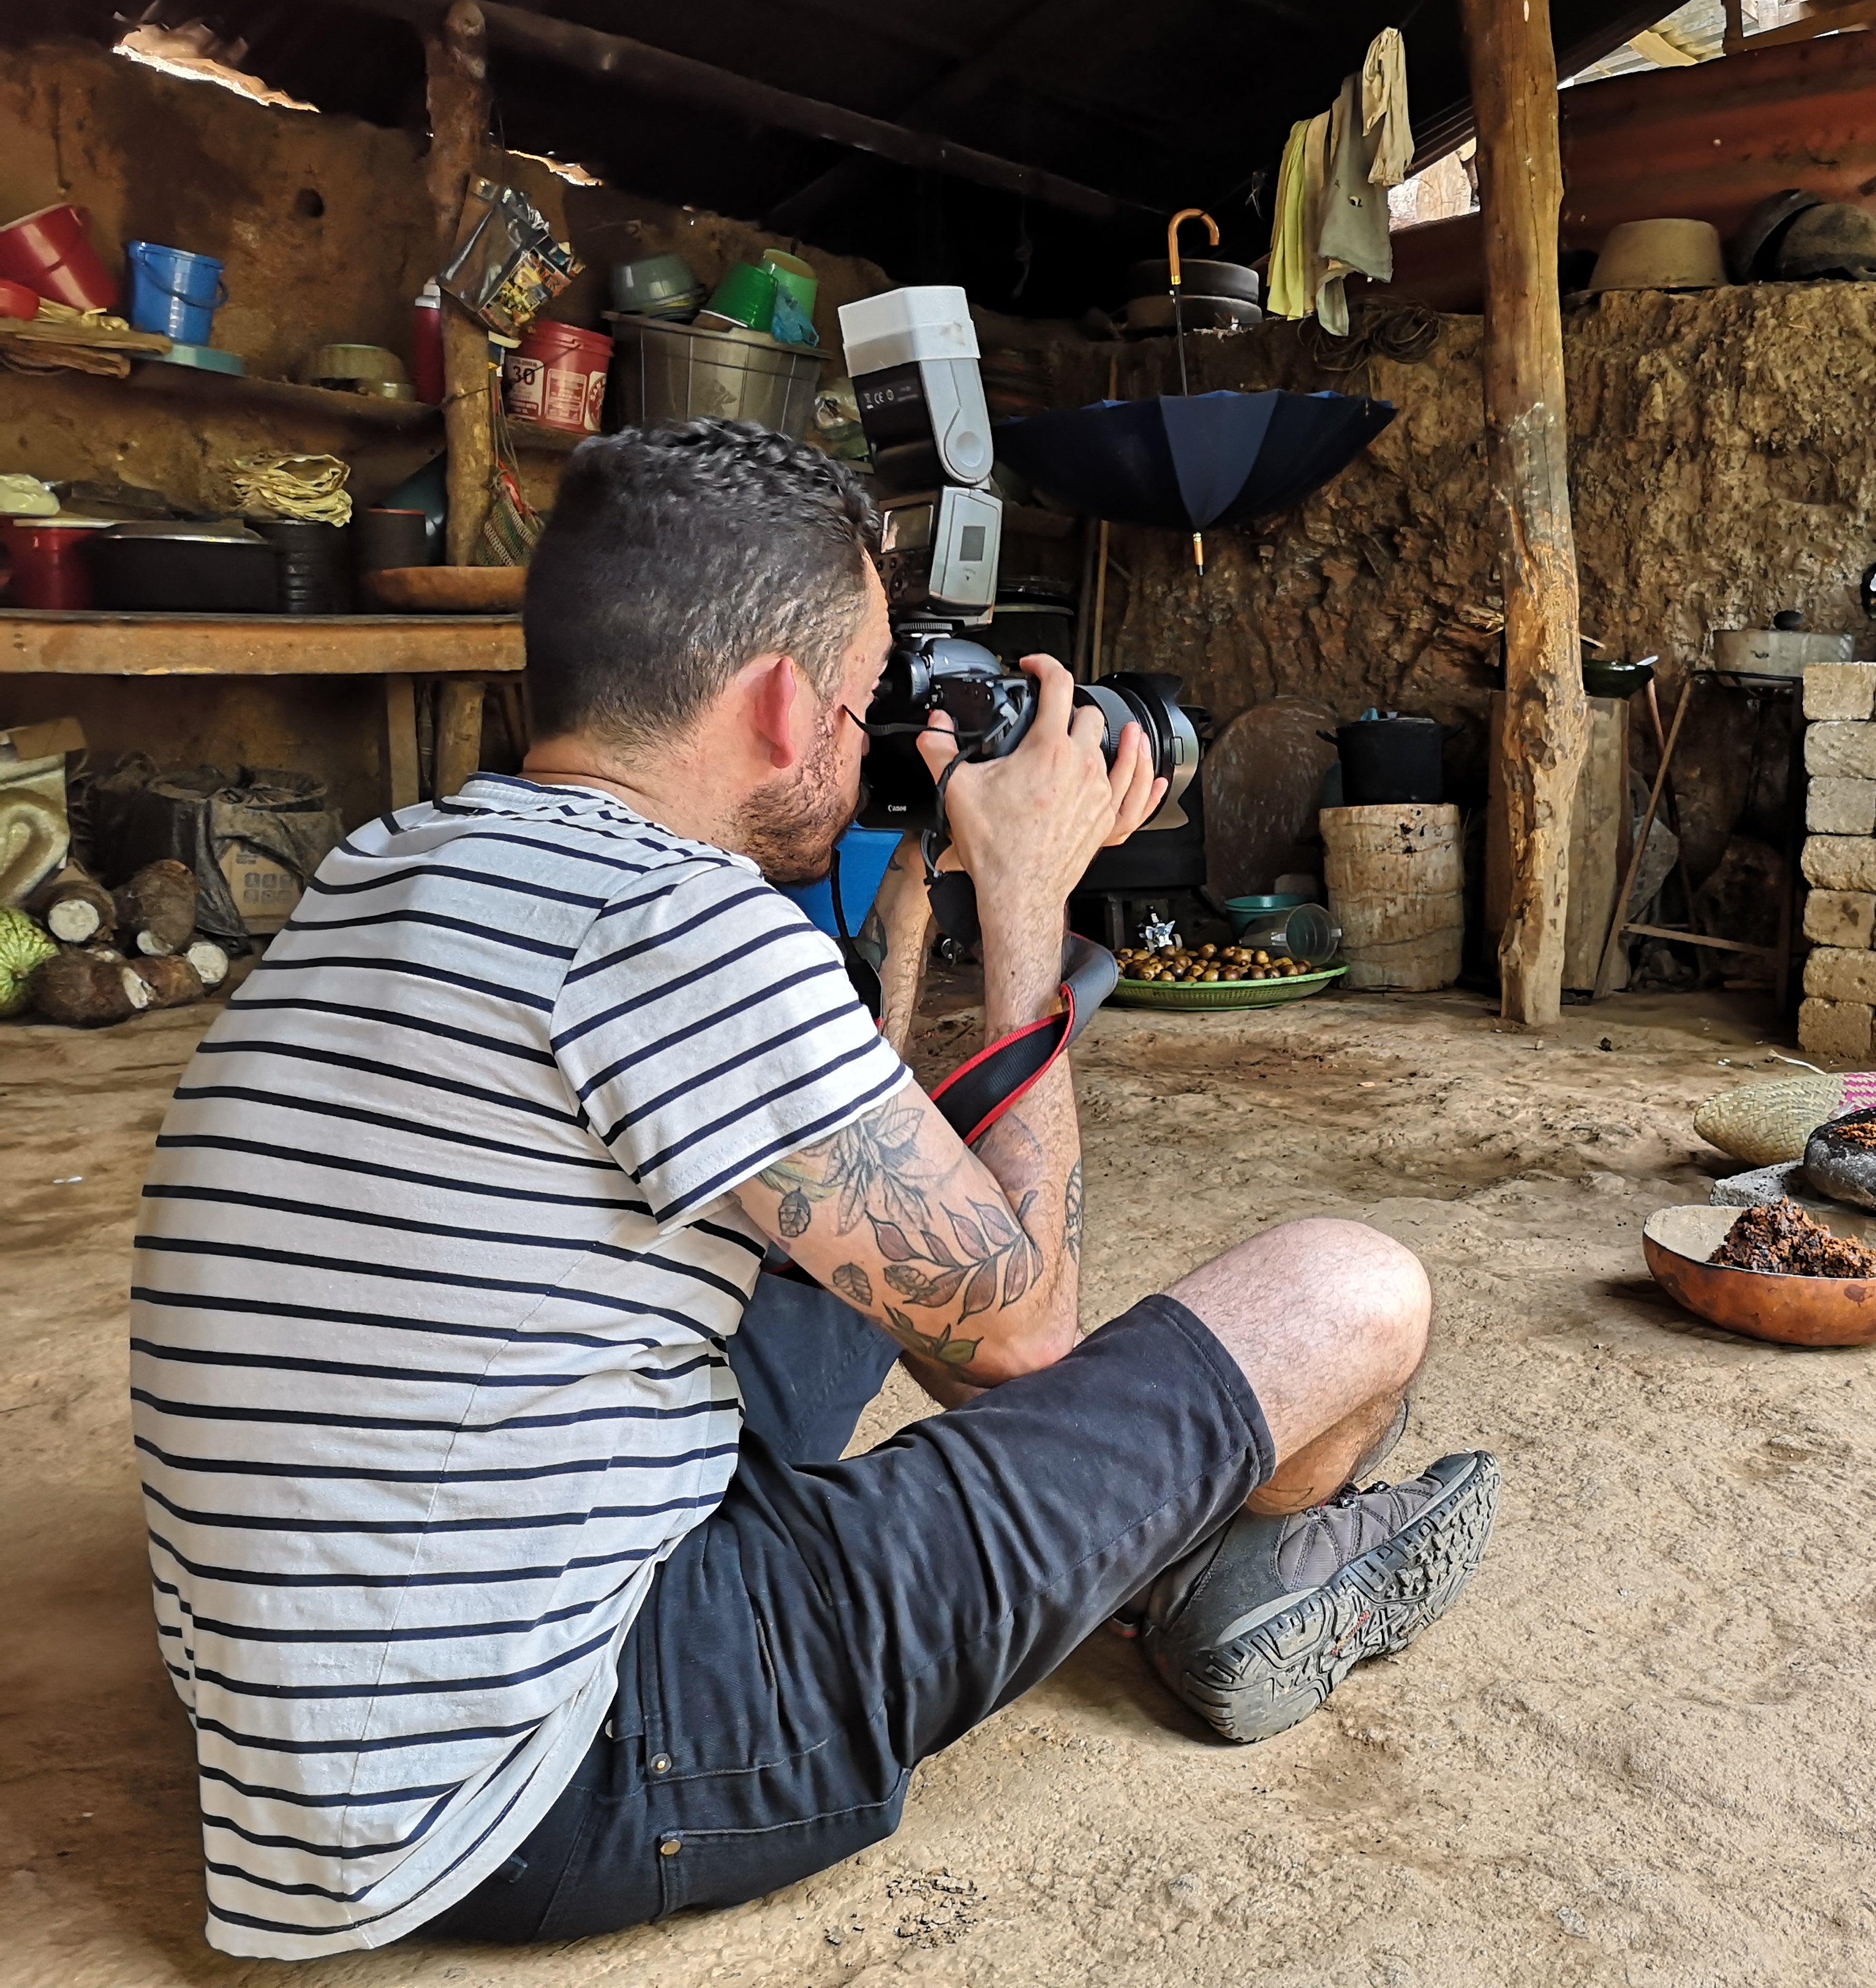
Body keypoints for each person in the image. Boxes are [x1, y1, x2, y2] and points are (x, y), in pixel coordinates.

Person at [129, 419, 1498, 1957]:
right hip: (557, 1769)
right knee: (1354, 1288)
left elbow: (847, 1184)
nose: (870, 740)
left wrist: (920, 910)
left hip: (328, 1744)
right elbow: (1023, 1328)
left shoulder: (391, 864)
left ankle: (1177, 1558)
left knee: (865, 1252)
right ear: (785, 702)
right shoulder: (677, 921)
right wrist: (1035, 908)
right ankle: (1234, 1581)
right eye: (861, 702)